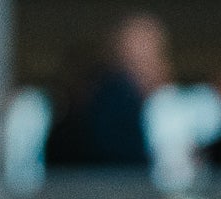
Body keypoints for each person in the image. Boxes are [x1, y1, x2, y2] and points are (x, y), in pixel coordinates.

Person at [45, 14, 168, 173]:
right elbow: (125, 168)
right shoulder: (116, 101)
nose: (163, 65)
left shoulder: (117, 98)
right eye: (157, 54)